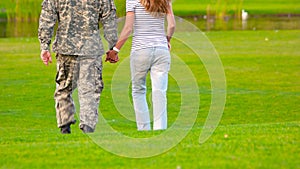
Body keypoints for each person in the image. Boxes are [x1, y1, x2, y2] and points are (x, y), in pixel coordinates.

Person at [38, 0, 118, 134]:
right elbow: (109, 20)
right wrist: (112, 47)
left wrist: (44, 46)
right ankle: (88, 125)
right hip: (91, 48)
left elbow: (47, 19)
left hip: (65, 48)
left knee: (64, 87)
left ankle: (65, 124)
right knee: (90, 89)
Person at [106, 0, 176, 130]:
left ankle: (143, 129)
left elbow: (128, 28)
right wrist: (167, 40)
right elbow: (171, 25)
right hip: (161, 51)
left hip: (140, 51)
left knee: (138, 90)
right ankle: (160, 128)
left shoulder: (132, 1)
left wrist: (115, 50)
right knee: (159, 91)